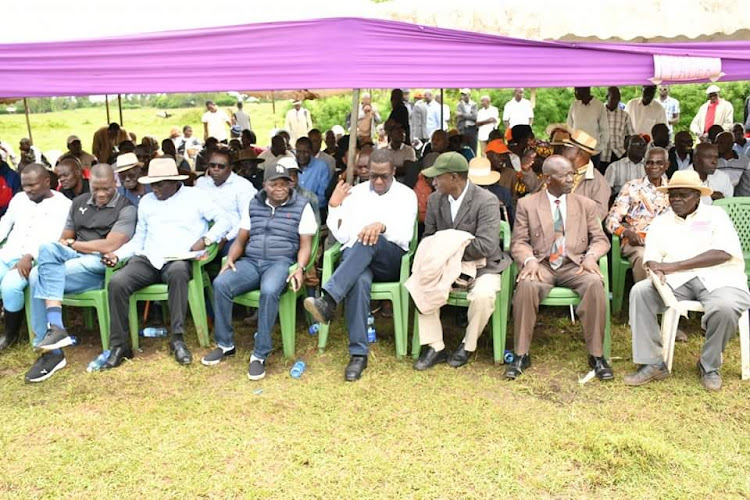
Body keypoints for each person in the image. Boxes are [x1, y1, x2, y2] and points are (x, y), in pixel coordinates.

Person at [98, 158, 232, 369]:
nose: (155, 188)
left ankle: (177, 338)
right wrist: (118, 255)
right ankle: (120, 345)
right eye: (152, 183)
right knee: (117, 282)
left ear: (173, 181)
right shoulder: (147, 201)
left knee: (178, 272)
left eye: (160, 183)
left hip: (180, 257)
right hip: (150, 258)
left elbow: (225, 220)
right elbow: (139, 238)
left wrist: (206, 240)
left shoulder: (195, 196)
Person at [623, 170, 750, 391]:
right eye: (672, 195)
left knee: (726, 307)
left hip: (719, 277)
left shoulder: (716, 216)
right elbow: (652, 259)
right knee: (641, 291)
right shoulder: (661, 222)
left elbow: (722, 253)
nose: (676, 200)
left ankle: (709, 365)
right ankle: (652, 362)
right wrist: (656, 270)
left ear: (697, 196)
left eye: (683, 195)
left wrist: (671, 266)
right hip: (676, 282)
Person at [304, 148, 417, 381]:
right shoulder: (354, 193)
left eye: (383, 176)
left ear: (393, 172)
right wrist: (334, 207)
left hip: (389, 259)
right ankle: (358, 355)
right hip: (357, 263)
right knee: (360, 279)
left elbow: (405, 235)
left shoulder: (406, 195)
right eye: (372, 175)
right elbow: (344, 236)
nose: (376, 180)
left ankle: (329, 300)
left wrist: (381, 227)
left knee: (370, 239)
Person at [203, 163, 316, 378]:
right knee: (221, 284)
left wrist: (300, 267)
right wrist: (230, 259)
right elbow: (241, 238)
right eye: (275, 183)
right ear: (265, 184)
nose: (281, 188)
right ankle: (225, 344)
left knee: (270, 290)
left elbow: (306, 244)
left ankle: (260, 354)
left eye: (285, 183)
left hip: (280, 262)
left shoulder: (302, 206)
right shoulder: (253, 204)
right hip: (252, 261)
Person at [26, 164, 136, 382]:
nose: (101, 194)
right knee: (47, 248)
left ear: (115, 183)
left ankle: (52, 351)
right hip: (74, 256)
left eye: (106, 188)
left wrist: (75, 244)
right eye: (96, 189)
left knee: (36, 276)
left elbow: (109, 245)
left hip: (99, 264)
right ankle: (55, 333)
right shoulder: (78, 203)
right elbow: (63, 238)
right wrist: (72, 244)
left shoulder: (127, 208)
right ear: (90, 184)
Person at [507, 155, 612, 381]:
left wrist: (592, 256)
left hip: (575, 264)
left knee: (594, 283)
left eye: (572, 174)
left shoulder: (585, 205)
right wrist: (529, 261)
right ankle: (520, 354)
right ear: (547, 178)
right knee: (526, 285)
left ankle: (597, 356)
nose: (571, 179)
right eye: (564, 175)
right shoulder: (528, 204)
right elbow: (518, 242)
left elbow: (600, 239)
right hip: (542, 264)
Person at [407, 152, 509, 370]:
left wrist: (447, 248)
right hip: (446, 266)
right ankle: (436, 346)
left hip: (483, 266)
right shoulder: (436, 200)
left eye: (438, 177)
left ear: (454, 178)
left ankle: (467, 345)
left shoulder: (486, 200)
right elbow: (429, 237)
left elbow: (486, 246)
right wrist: (446, 254)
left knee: (483, 296)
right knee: (420, 282)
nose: (433, 182)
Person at [0, 164, 71, 353]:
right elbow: (5, 223)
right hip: (8, 252)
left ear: (47, 182)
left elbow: (55, 239)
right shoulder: (19, 199)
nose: (28, 190)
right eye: (25, 185)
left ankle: (11, 334)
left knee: (10, 286)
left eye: (32, 185)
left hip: (34, 259)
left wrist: (30, 255)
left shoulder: (63, 204)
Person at [605, 147, 670, 283]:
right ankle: (646, 298)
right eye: (649, 163)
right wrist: (626, 233)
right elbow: (611, 221)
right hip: (636, 241)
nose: (654, 167)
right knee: (643, 256)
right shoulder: (631, 187)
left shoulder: (673, 189)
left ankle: (671, 300)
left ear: (667, 165)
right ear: (644, 165)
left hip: (665, 242)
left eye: (659, 163)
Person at [196, 145, 257, 254]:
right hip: (203, 234)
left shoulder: (243, 186)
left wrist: (226, 239)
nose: (215, 169)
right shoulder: (201, 183)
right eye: (212, 165)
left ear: (230, 167)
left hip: (232, 235)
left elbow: (247, 219)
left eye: (221, 166)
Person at [559, 130, 611, 220]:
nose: (562, 150)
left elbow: (599, 214)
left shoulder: (598, 181)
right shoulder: (559, 169)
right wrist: (527, 172)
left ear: (578, 152)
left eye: (567, 147)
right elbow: (536, 191)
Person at [566, 87, 608, 168]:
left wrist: (599, 149)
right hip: (576, 151)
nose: (575, 93)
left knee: (592, 177)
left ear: (586, 90)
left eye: (577, 90)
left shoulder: (599, 106)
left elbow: (605, 130)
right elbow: (569, 128)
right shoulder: (574, 105)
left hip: (593, 153)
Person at [599, 87, 634, 170]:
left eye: (618, 98)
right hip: (602, 154)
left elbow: (630, 135)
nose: (616, 100)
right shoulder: (599, 113)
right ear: (607, 97)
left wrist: (626, 151)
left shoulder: (625, 115)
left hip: (618, 153)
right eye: (613, 97)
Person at [294, 137, 330, 210]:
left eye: (305, 152)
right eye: (298, 151)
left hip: (315, 209)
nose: (301, 155)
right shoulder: (291, 166)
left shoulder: (321, 167)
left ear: (311, 151)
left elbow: (322, 197)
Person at [455, 89, 478, 154]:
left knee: (473, 148)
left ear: (469, 95)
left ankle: (473, 162)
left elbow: (474, 117)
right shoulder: (459, 105)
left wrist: (462, 114)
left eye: (465, 94)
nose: (464, 96)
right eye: (462, 95)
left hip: (472, 128)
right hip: (463, 128)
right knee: (462, 147)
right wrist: (469, 115)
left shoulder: (474, 104)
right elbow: (459, 117)